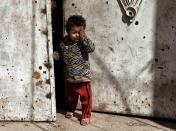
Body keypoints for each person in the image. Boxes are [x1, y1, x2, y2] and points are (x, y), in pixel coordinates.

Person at [54, 15, 95, 126]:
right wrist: (54, 56)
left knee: (85, 98)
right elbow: (59, 52)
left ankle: (86, 115)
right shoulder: (63, 42)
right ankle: (71, 109)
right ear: (68, 31)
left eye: (79, 32)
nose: (77, 35)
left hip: (83, 77)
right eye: (74, 32)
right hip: (70, 76)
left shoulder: (83, 42)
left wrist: (84, 38)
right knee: (71, 98)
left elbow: (91, 48)